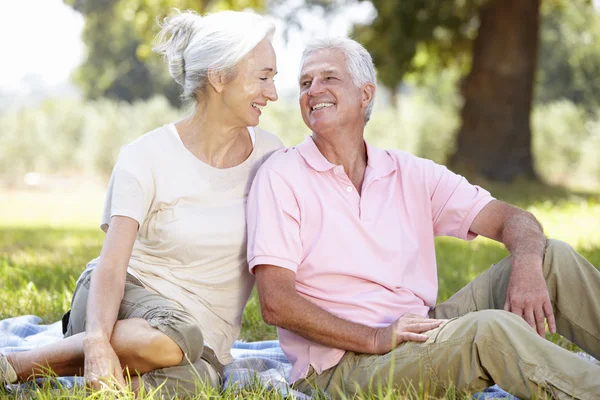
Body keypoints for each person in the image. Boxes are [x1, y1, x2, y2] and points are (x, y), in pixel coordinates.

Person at [246, 36, 600, 400]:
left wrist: (526, 262)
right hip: (341, 367)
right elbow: (276, 303)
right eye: (305, 82)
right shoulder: (281, 174)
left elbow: (512, 218)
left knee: (548, 256)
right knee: (490, 332)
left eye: (328, 78)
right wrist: (375, 337)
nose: (313, 90)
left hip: (419, 331)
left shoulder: (408, 171)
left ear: (365, 94)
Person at [0, 9, 281, 396]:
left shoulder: (272, 158)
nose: (273, 93)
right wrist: (97, 339)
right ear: (218, 77)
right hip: (118, 304)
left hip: (203, 347)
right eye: (263, 77)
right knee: (175, 336)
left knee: (198, 382)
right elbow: (113, 266)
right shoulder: (146, 155)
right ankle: (21, 363)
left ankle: (68, 372)